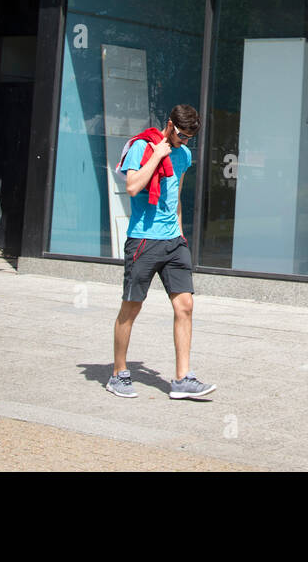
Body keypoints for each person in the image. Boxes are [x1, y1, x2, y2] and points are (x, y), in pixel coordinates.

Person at [106, 104, 215, 400]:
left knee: (185, 306)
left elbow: (175, 194)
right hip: (143, 239)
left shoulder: (184, 155)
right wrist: (157, 155)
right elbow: (131, 187)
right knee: (132, 307)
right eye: (180, 135)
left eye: (189, 138)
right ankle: (118, 373)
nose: (183, 142)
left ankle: (182, 379)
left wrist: (180, 234)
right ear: (169, 125)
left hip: (173, 241)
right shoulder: (141, 147)